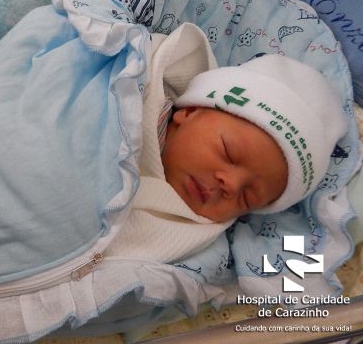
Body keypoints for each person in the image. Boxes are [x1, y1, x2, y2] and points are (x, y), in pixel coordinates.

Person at [107, 24, 348, 261]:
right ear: (188, 112)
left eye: (247, 198)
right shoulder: (134, 92)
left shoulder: (188, 240)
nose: (230, 185)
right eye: (228, 152)